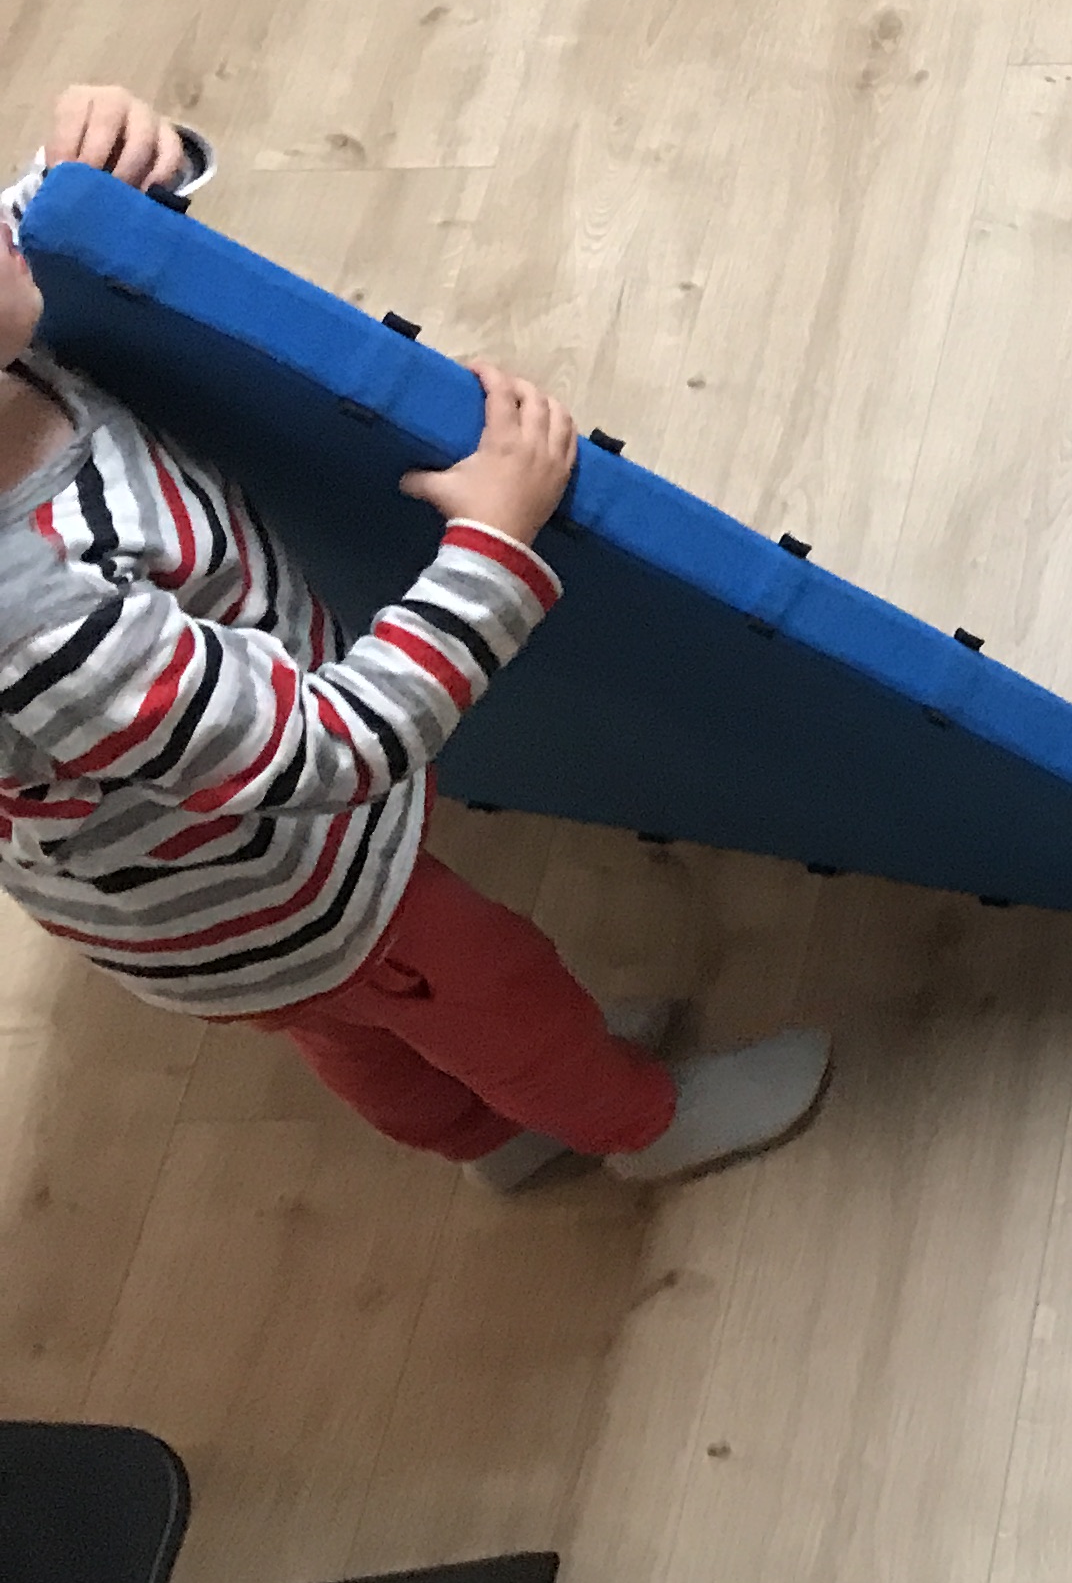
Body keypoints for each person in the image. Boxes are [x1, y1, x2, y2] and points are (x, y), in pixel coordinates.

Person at [0, 84, 833, 1190]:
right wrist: (493, 544)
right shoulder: (36, 621)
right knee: (495, 994)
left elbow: (59, 223)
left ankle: (491, 1142)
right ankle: (642, 1126)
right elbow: (331, 748)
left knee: (349, 1023)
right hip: (284, 889)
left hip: (189, 902)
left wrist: (134, 169)